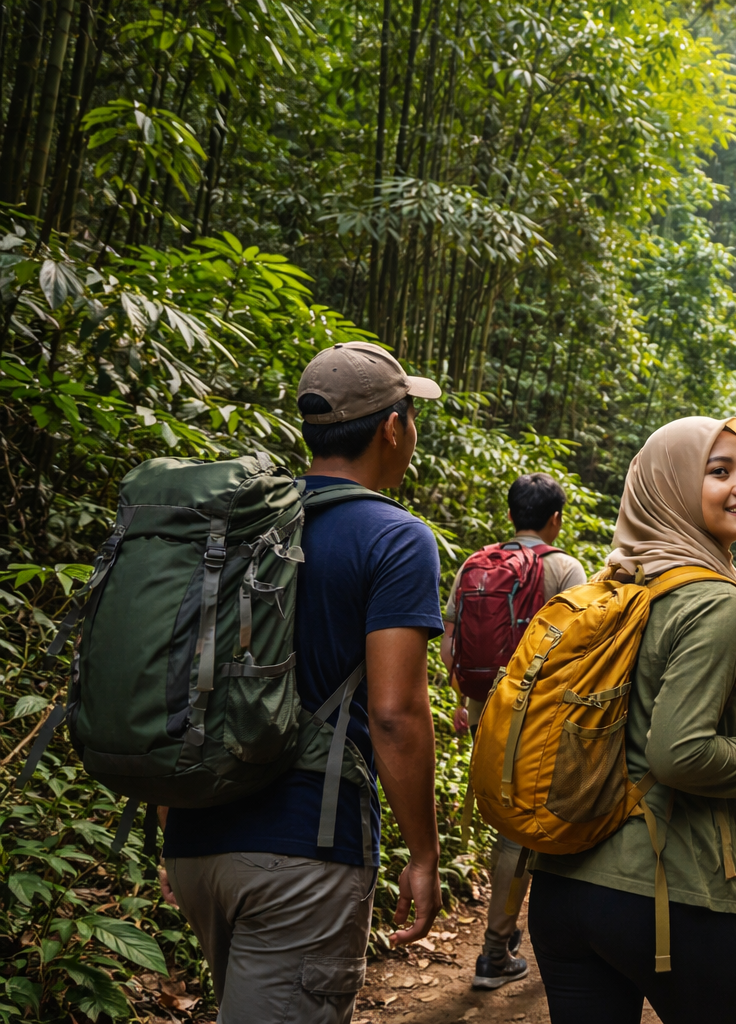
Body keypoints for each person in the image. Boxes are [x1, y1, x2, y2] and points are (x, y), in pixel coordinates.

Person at [161, 341, 445, 1024]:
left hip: (199, 842)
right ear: (392, 427)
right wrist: (425, 853)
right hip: (302, 854)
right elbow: (396, 714)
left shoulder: (236, 526)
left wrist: (172, 814)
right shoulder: (395, 538)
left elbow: (183, 672)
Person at [528, 416, 736, 1024]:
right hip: (664, 889)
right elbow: (677, 755)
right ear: (671, 484)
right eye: (719, 470)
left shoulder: (618, 583)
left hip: (563, 884)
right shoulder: (715, 600)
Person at [440, 472, 587, 989]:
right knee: (520, 836)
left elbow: (451, 640)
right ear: (555, 519)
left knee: (508, 825)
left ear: (510, 515)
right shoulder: (565, 568)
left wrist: (465, 702)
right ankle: (493, 953)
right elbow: (579, 652)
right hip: (537, 722)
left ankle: (510, 935)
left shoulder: (474, 565)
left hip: (485, 713)